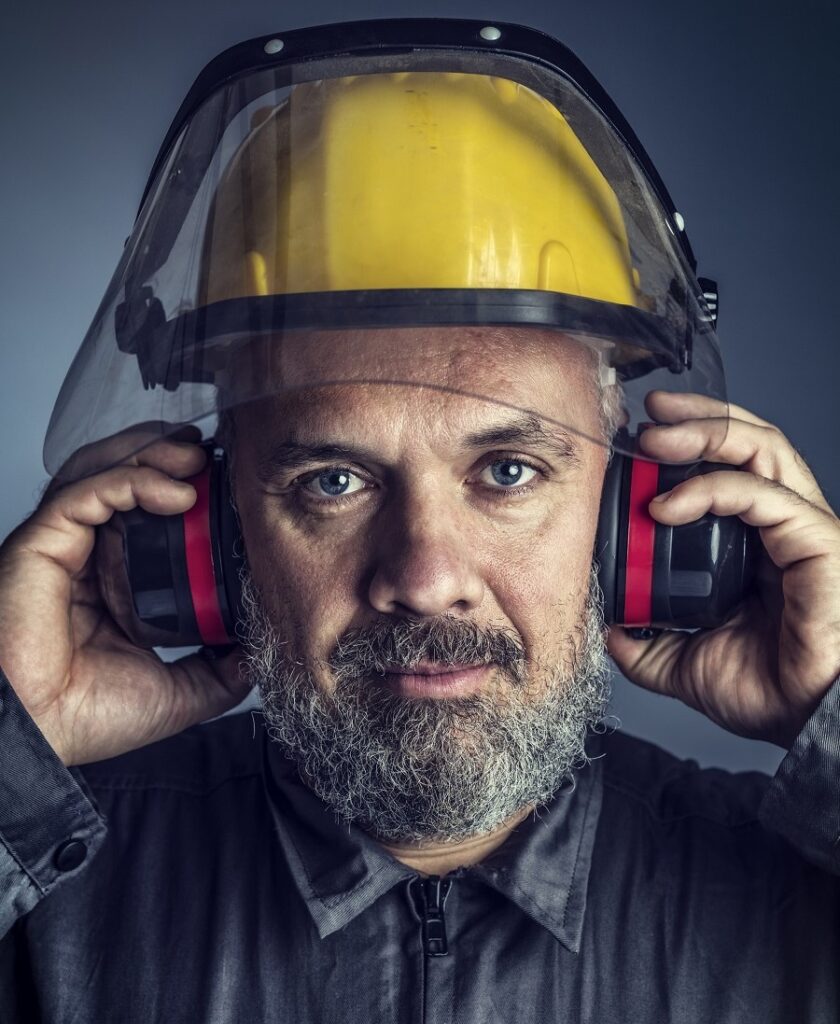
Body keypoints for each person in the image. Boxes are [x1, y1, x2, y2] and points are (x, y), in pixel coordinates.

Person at [1, 18, 839, 1023]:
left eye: (511, 468)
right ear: (212, 537)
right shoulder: (42, 912)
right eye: (332, 482)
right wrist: (13, 739)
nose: (426, 572)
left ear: (634, 519)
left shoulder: (798, 904)